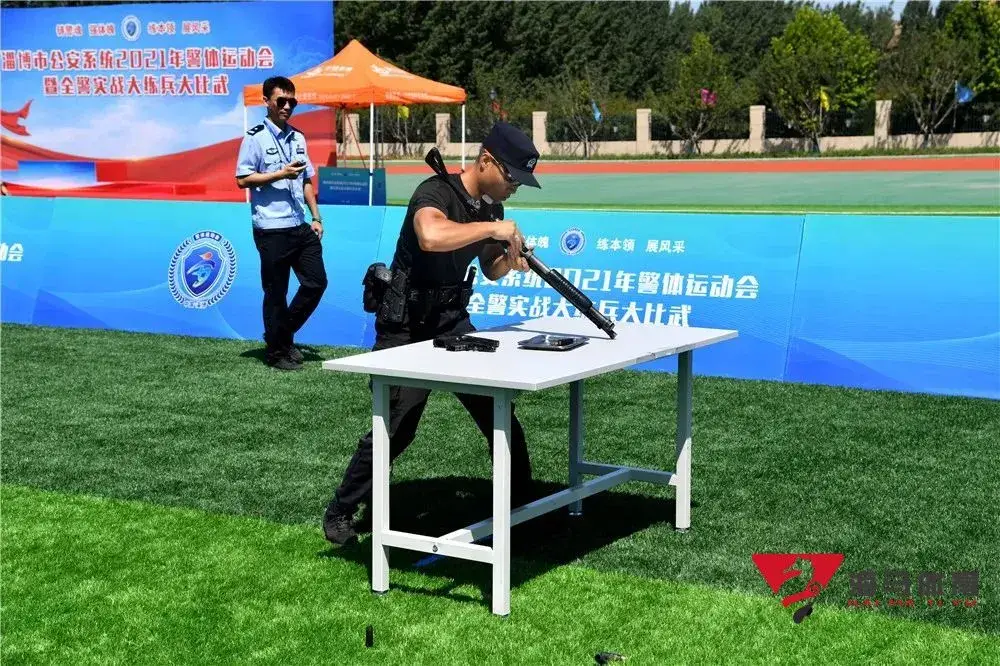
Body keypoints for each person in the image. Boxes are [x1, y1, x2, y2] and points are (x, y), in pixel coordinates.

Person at [323, 121, 543, 546]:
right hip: (405, 324)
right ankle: (342, 509)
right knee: (396, 426)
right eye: (512, 178)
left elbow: (490, 267)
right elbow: (430, 235)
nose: (514, 188)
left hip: (450, 320)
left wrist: (511, 261)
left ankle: (522, 508)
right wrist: (492, 229)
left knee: (498, 411)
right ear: (486, 162)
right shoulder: (435, 192)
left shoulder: (489, 209)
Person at [236, 75, 327, 371]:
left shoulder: (298, 137)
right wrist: (279, 174)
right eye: (281, 101)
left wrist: (316, 217)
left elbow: (306, 180)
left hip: (299, 224)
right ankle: (277, 353)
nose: (287, 106)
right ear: (267, 102)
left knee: (316, 282)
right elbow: (242, 179)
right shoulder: (254, 137)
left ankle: (280, 336)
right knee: (276, 293)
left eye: (292, 101)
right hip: (271, 228)